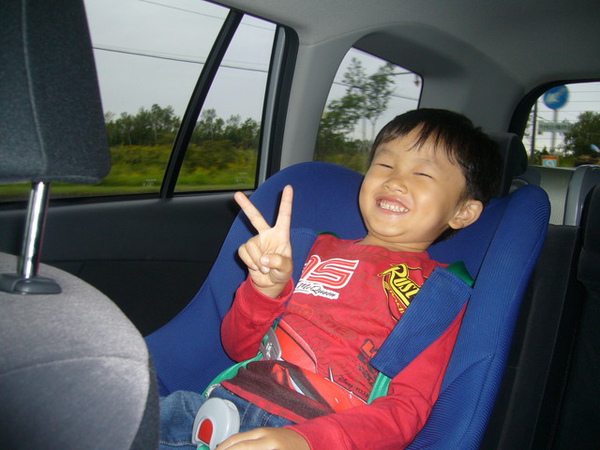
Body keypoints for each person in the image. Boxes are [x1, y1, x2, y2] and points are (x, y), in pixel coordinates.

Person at [159, 109, 502, 449]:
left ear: (463, 212)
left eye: (423, 173)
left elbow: (406, 410)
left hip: (310, 432)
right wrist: (264, 291)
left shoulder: (439, 296)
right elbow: (238, 348)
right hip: (214, 408)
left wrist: (306, 440)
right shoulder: (304, 250)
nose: (394, 181)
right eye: (385, 165)